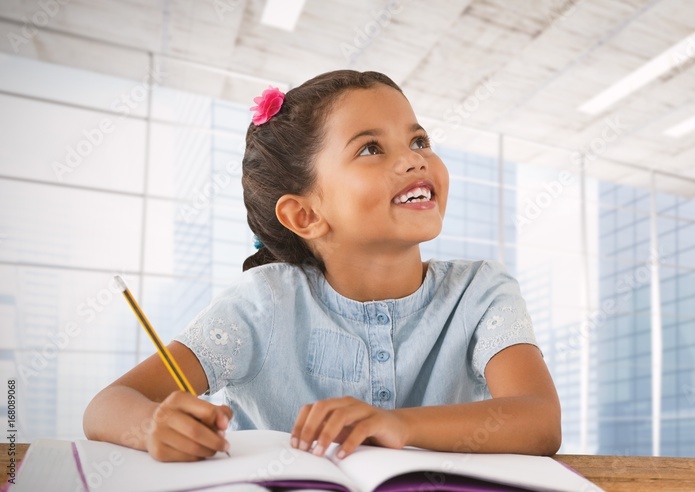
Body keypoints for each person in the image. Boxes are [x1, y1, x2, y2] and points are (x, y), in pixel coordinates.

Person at [83, 70, 561, 462]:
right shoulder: (262, 303)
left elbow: (539, 421)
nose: (415, 160)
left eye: (418, 139)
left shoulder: (481, 291)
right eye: (371, 148)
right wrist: (152, 427)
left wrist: (397, 425)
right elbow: (106, 407)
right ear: (305, 215)